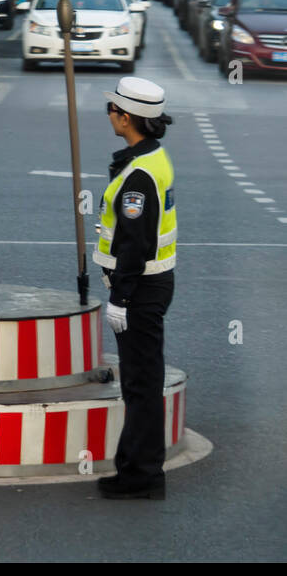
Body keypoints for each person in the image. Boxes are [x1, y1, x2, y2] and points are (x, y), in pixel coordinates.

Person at [94, 77, 176, 500]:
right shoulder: (146, 157)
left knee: (142, 385)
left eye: (112, 110)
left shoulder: (140, 174)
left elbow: (136, 245)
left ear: (127, 118)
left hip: (141, 289)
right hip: (149, 285)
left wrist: (120, 299)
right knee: (140, 383)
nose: (108, 114)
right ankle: (133, 468)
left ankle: (143, 476)